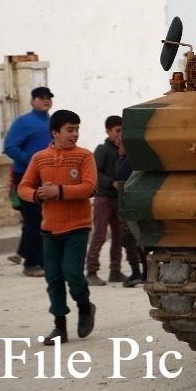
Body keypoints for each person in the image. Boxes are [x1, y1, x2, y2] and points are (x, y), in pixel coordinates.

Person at [17, 109, 97, 345]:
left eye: (77, 129)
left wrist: (59, 191)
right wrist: (37, 195)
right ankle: (59, 327)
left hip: (78, 228)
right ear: (55, 133)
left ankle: (85, 305)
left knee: (72, 273)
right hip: (50, 230)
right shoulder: (39, 158)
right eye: (69, 130)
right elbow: (23, 187)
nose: (75, 134)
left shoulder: (84, 156)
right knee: (53, 279)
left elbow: (90, 187)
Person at [3, 86, 54, 277]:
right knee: (34, 221)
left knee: (45, 220)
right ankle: (31, 264)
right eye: (41, 97)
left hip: (47, 178)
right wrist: (32, 161)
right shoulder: (23, 122)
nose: (46, 100)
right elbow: (9, 147)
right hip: (27, 176)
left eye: (48, 97)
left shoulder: (51, 122)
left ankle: (40, 259)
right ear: (32, 101)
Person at [85, 115, 127, 286]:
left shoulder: (124, 150)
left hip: (118, 199)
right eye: (117, 131)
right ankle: (91, 271)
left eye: (123, 131)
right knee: (100, 235)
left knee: (119, 237)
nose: (120, 134)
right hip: (103, 199)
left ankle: (115, 271)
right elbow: (94, 173)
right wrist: (111, 182)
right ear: (108, 131)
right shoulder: (102, 150)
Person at [115, 145, 146, 287]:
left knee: (131, 237)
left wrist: (122, 155)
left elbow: (120, 172)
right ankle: (143, 271)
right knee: (137, 237)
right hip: (136, 198)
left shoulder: (133, 153)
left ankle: (139, 272)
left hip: (132, 200)